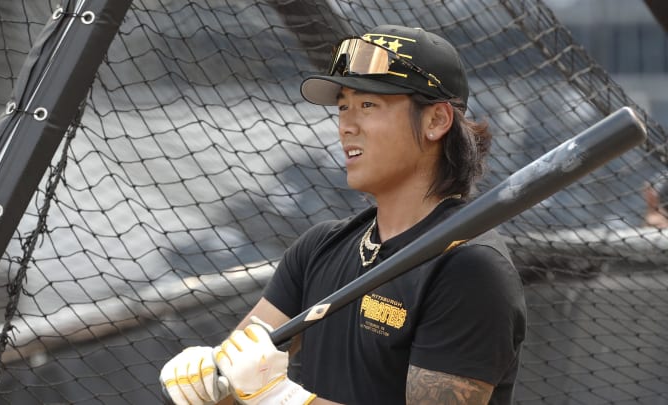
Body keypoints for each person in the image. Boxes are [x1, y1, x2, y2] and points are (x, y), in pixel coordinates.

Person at [160, 24, 527, 405]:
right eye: (343, 107)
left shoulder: (469, 267)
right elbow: (242, 376)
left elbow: (265, 393)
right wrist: (209, 385)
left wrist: (282, 399)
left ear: (436, 121)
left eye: (368, 105)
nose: (346, 126)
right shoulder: (319, 247)